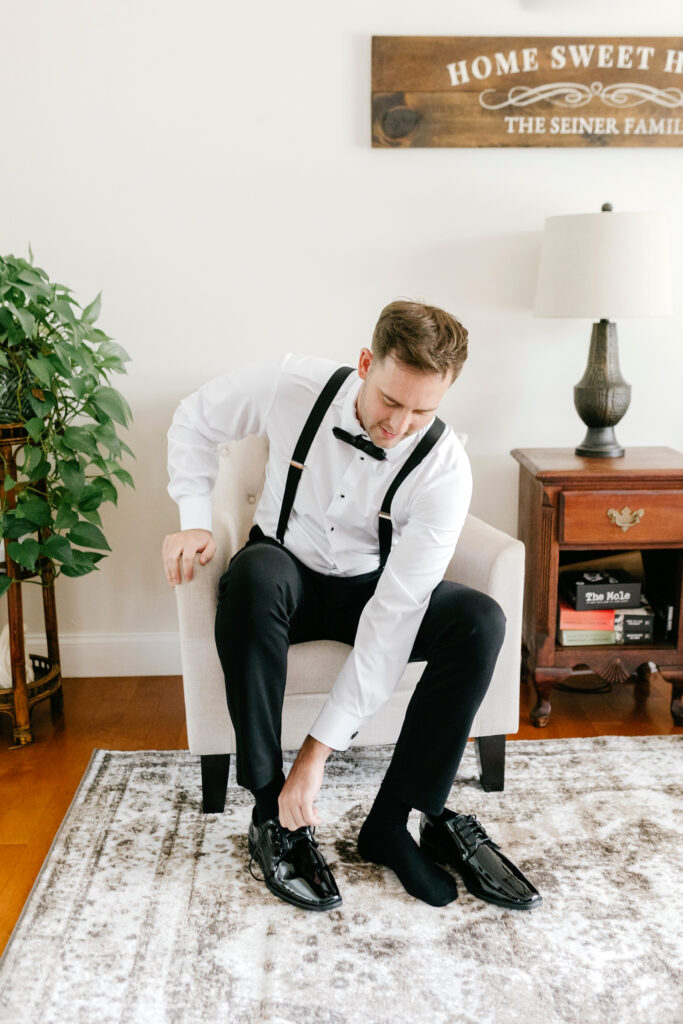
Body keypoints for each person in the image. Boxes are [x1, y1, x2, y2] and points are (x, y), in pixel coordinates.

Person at [163, 299, 541, 912]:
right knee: (254, 577)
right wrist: (193, 519)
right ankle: (272, 815)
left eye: (423, 410)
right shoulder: (295, 384)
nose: (399, 425)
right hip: (282, 570)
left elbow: (393, 619)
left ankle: (391, 823)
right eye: (391, 400)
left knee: (480, 621)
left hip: (373, 588)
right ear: (367, 362)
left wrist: (317, 755)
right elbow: (192, 420)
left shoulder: (443, 468)